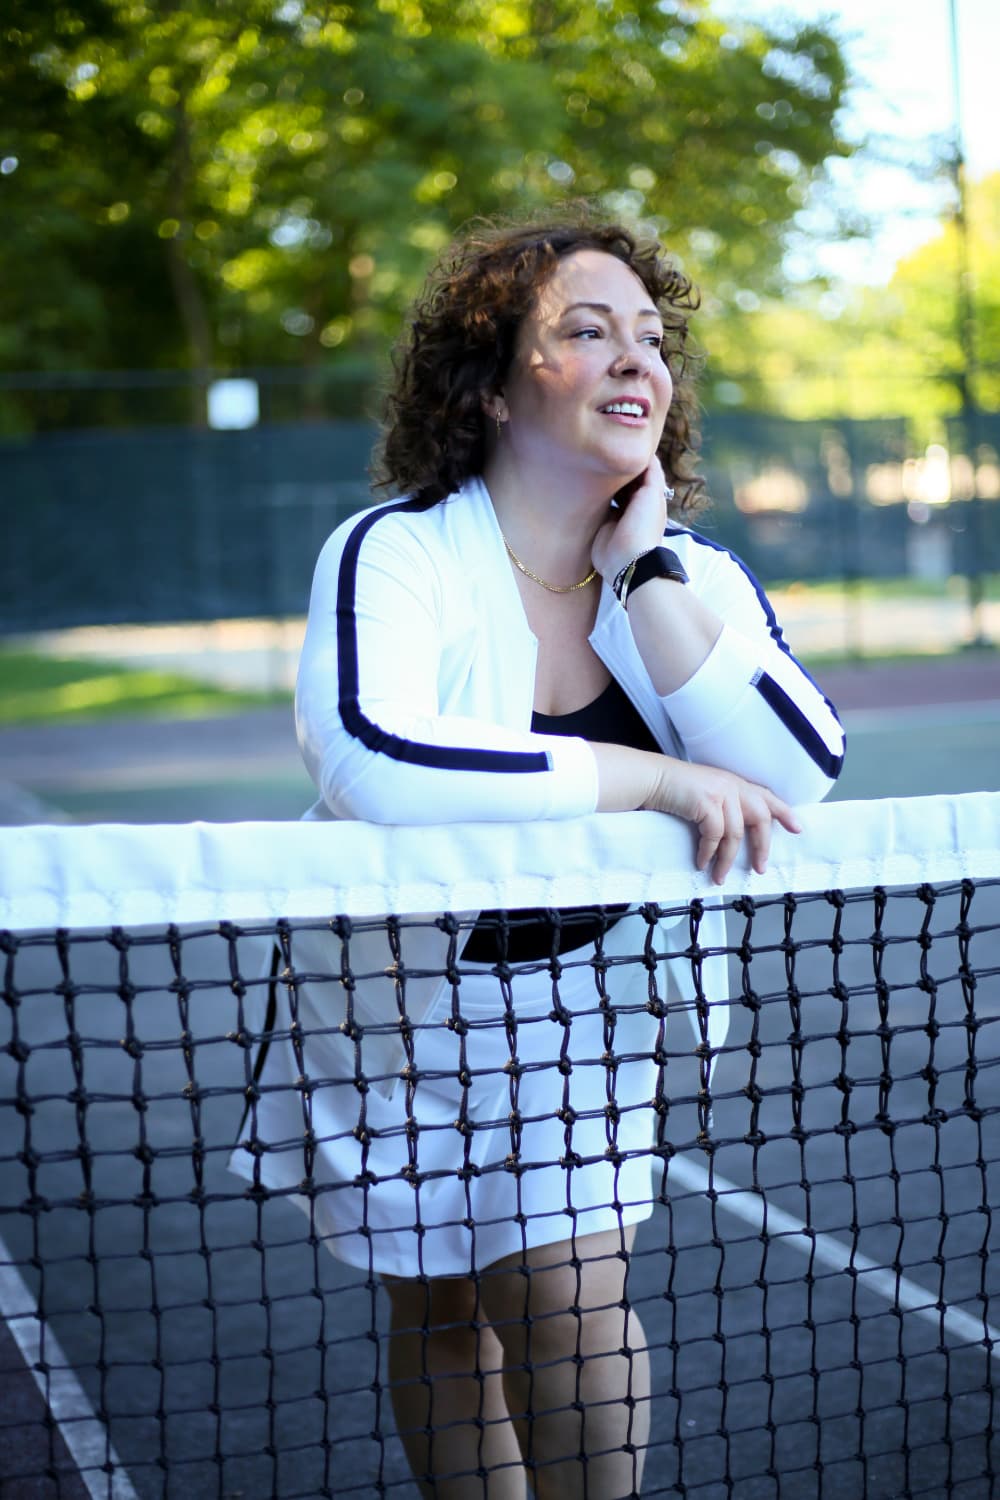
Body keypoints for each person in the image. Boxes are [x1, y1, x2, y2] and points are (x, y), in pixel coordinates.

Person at [234, 213, 845, 1498]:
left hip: (594, 1005)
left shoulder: (696, 575)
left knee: (569, 1299)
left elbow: (797, 772)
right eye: (584, 330)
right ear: (496, 380)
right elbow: (373, 764)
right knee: (442, 1311)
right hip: (394, 1005)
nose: (636, 359)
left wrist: (645, 567)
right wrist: (656, 779)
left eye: (650, 336)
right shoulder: (390, 551)